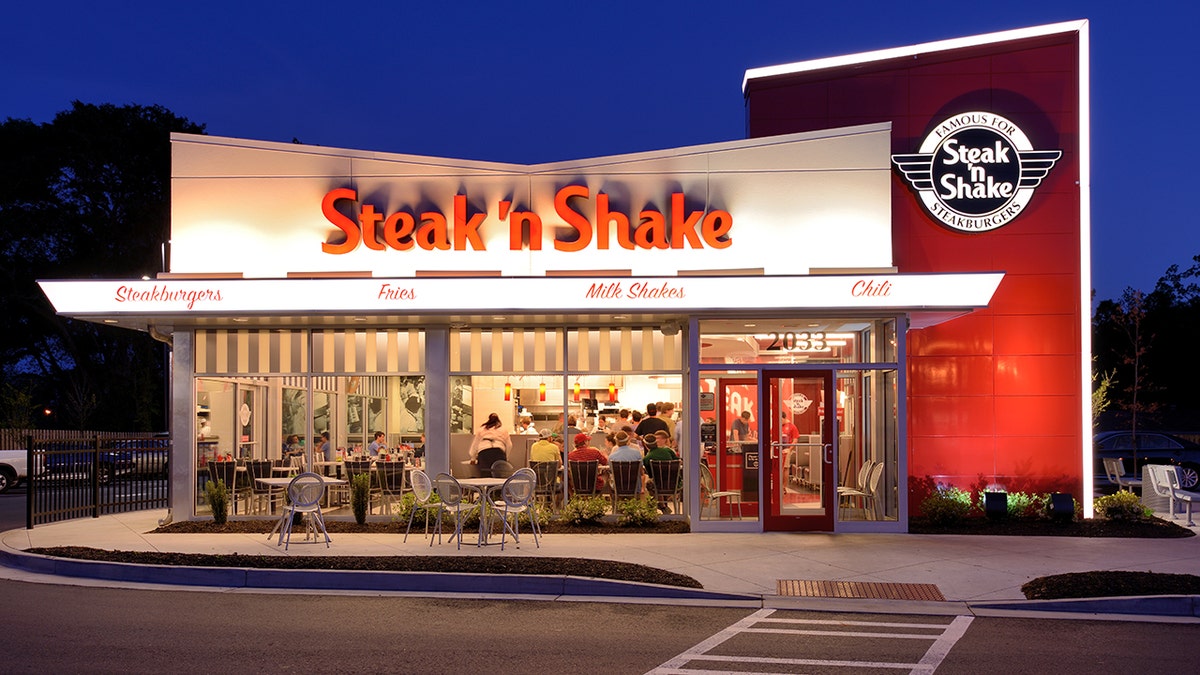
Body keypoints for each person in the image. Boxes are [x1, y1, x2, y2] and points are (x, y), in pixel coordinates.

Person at [469, 412, 511, 477]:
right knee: (498, 475)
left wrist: (473, 458)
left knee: (485, 475)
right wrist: (506, 458)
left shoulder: (481, 430)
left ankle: (487, 486)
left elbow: (475, 445)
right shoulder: (503, 430)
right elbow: (509, 445)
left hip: (484, 452)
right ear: (498, 421)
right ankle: (497, 487)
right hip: (498, 452)